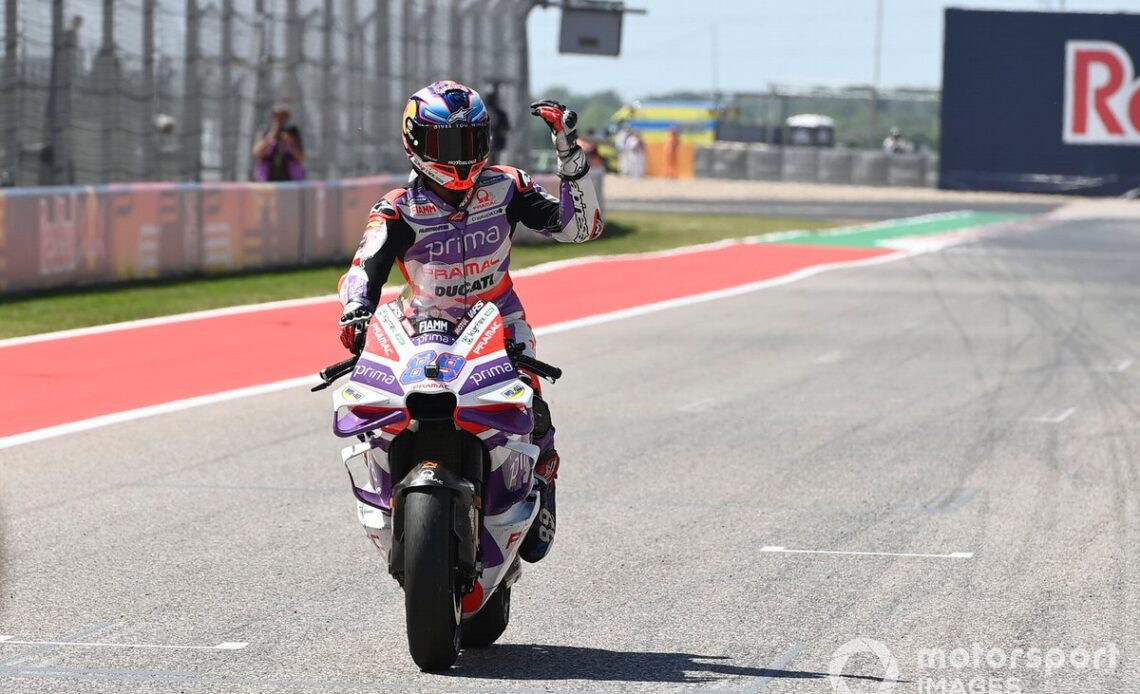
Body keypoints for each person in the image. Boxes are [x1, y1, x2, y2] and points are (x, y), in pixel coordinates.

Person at [336, 81, 604, 563]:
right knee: (377, 415)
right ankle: (388, 497)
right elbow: (363, 268)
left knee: (533, 416)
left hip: (500, 327)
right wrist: (355, 309)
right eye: (447, 144)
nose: (462, 156)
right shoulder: (396, 208)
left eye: (472, 142)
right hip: (421, 330)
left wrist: (568, 151)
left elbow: (579, 227)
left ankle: (540, 481)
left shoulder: (508, 186)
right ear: (416, 142)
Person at [252, 105, 306, 181]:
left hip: (290, 177)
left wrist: (290, 142)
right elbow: (257, 153)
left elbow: (301, 157)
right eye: (276, 115)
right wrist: (270, 137)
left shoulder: (293, 131)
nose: (279, 119)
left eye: (283, 116)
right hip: (267, 177)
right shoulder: (265, 130)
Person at [485, 86, 510, 164]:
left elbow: (506, 128)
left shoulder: (500, 114)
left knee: (498, 164)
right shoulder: (484, 113)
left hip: (497, 145)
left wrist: (498, 132)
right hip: (488, 145)